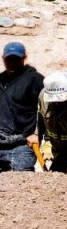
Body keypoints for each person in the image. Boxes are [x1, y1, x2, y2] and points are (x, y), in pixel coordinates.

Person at [0, 42, 45, 172]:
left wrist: (37, 133)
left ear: (24, 58)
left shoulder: (35, 79)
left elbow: (47, 110)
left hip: (22, 144)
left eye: (16, 59)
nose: (12, 62)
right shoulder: (0, 80)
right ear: (3, 58)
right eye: (9, 59)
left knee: (22, 185)